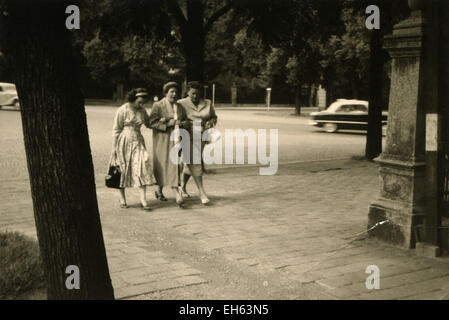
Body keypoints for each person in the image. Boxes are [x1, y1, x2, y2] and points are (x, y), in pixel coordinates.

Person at [110, 88, 156, 211]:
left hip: (138, 141)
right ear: (133, 99)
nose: (141, 105)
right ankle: (122, 198)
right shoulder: (122, 110)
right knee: (122, 169)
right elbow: (116, 130)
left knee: (142, 167)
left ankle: (143, 199)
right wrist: (114, 149)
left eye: (143, 102)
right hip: (124, 141)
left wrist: (161, 121)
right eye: (139, 102)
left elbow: (148, 123)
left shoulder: (142, 111)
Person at [149, 82, 190, 207]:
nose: (174, 94)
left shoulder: (180, 106)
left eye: (176, 92)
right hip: (163, 140)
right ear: (165, 93)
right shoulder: (158, 105)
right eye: (171, 91)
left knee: (175, 165)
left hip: (177, 139)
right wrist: (169, 124)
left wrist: (184, 123)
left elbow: (185, 120)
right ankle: (172, 192)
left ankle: (166, 191)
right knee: (163, 164)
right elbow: (151, 122)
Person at [177, 81, 217, 205]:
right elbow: (178, 120)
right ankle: (202, 193)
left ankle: (182, 187)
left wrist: (211, 122)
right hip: (187, 136)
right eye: (193, 94)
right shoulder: (181, 103)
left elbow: (214, 117)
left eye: (198, 94)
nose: (195, 96)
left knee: (190, 162)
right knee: (196, 163)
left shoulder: (208, 103)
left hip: (202, 136)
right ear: (188, 92)